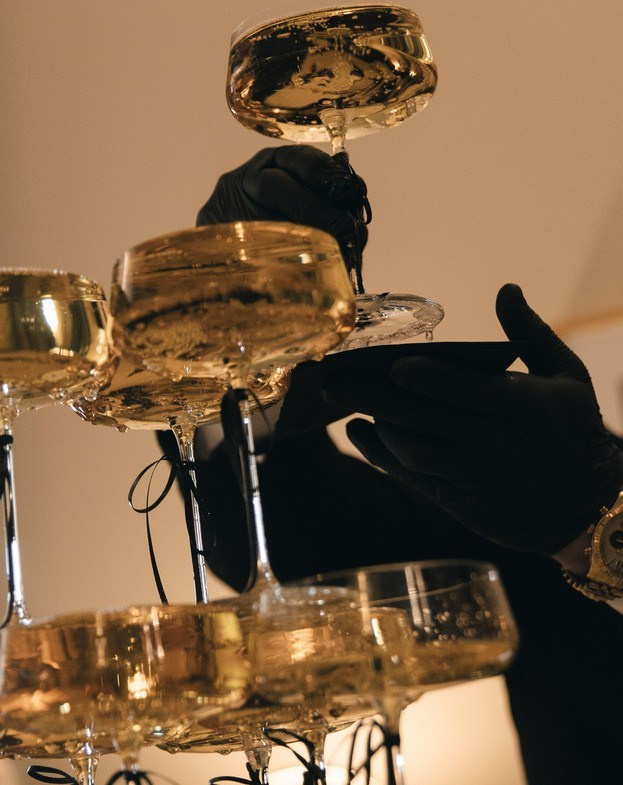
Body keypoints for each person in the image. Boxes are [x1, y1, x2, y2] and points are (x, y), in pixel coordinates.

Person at [162, 144, 623, 785]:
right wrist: (231, 334)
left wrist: (596, 528)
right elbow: (309, 556)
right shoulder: (561, 468)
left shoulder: (582, 480)